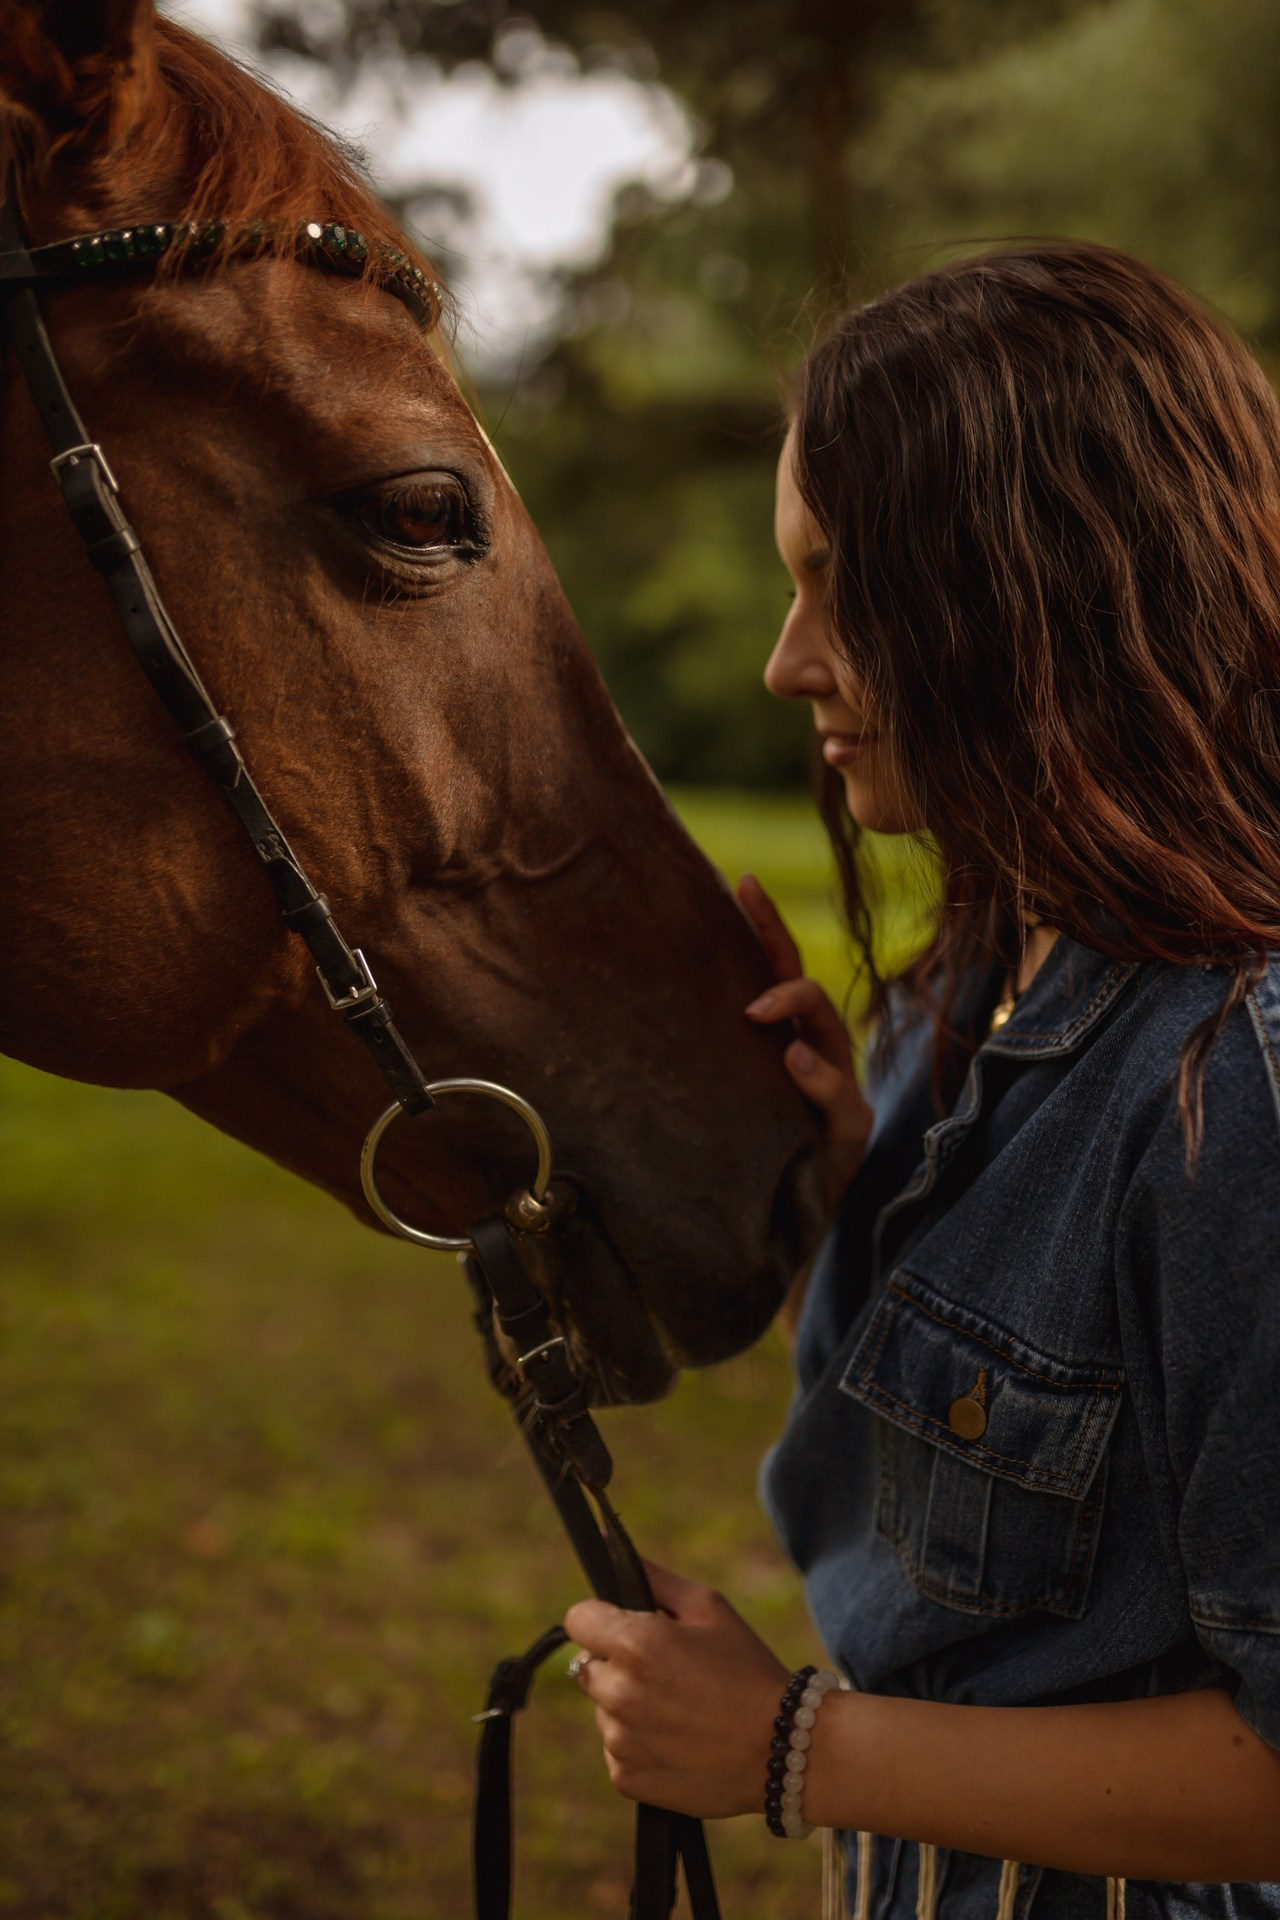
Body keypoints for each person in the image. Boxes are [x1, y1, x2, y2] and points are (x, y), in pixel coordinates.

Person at [563, 241, 1280, 1919]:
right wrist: (850, 1206)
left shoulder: (1231, 1082)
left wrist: (795, 1746)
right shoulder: (970, 983)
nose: (787, 662)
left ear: (1038, 587)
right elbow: (1053, 1491)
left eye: (840, 586)